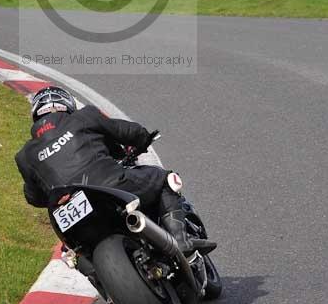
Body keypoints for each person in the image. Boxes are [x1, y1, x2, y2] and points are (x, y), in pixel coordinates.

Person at [16, 86, 214, 256]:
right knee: (164, 179)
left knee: (75, 254)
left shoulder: (24, 156)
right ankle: (180, 240)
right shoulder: (84, 117)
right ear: (68, 107)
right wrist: (143, 138)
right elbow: (127, 132)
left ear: (35, 116)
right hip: (108, 185)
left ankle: (109, 293)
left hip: (65, 219)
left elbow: (34, 197)